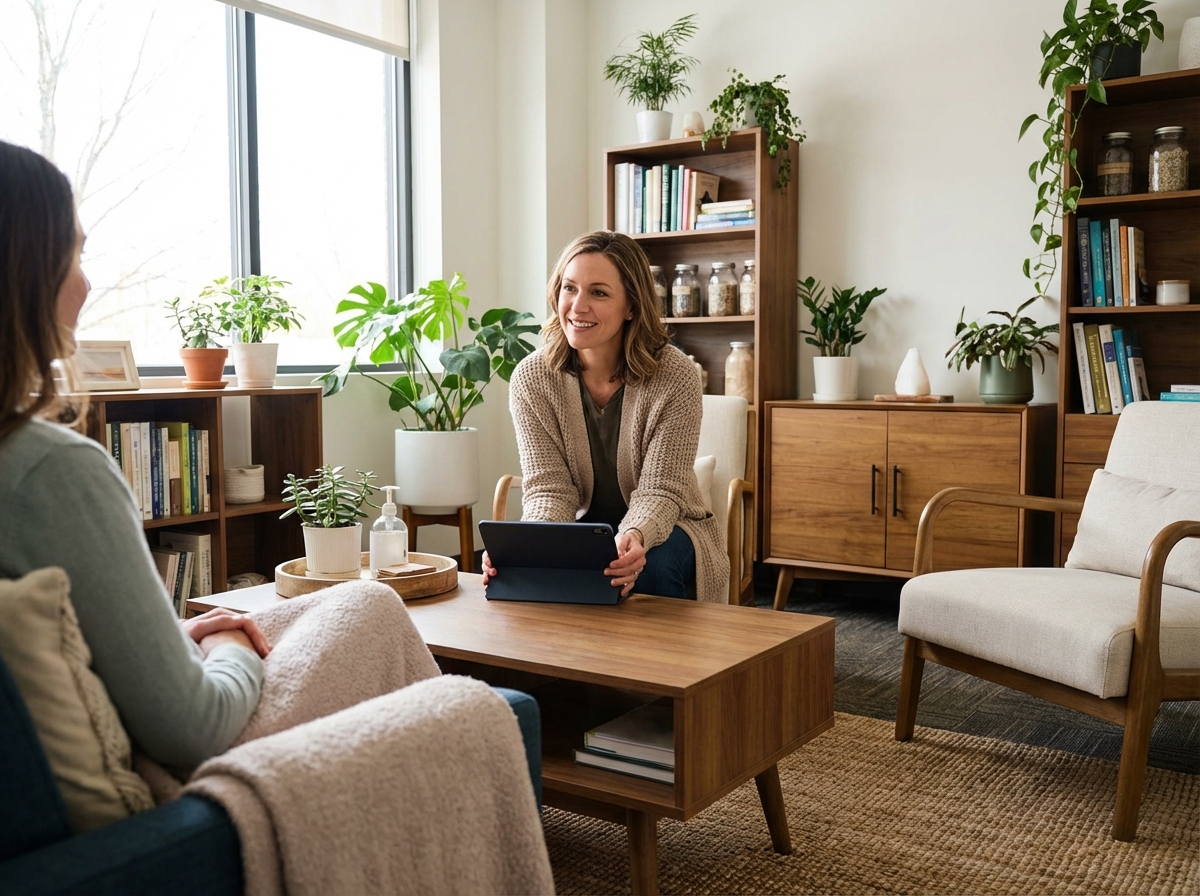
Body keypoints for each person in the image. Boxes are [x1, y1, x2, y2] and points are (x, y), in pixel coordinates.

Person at [0, 140, 270, 769]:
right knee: (357, 612)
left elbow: (72, 655)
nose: (86, 282)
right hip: (165, 805)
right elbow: (194, 727)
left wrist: (175, 638)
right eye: (75, 253)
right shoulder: (50, 469)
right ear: (25, 273)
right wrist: (229, 640)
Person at [484, 230, 728, 602]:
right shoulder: (533, 378)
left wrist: (635, 534)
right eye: (569, 288)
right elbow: (550, 488)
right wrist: (528, 546)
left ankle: (664, 661)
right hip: (583, 528)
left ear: (631, 305)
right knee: (520, 573)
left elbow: (662, 489)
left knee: (652, 566)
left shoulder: (675, 374)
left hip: (670, 525)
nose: (578, 306)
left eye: (598, 292)